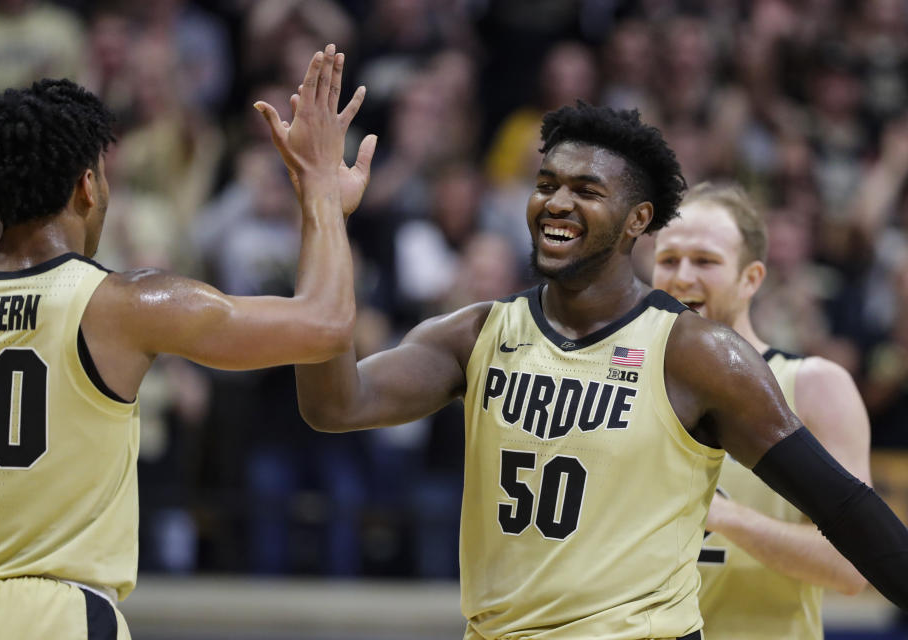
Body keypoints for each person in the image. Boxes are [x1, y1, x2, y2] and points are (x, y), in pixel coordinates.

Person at [291, 101, 908, 639]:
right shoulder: (478, 332)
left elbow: (845, 506)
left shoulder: (695, 353)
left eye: (586, 190)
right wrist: (322, 212)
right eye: (546, 183)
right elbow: (333, 405)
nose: (557, 202)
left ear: (638, 220)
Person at [0, 45, 375, 639]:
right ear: (87, 187)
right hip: (53, 617)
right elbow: (326, 324)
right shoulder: (122, 304)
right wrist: (320, 192)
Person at [652, 182, 871, 639]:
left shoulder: (814, 385)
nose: (682, 276)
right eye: (668, 260)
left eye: (705, 261)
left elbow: (853, 568)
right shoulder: (628, 383)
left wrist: (723, 516)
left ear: (750, 278)